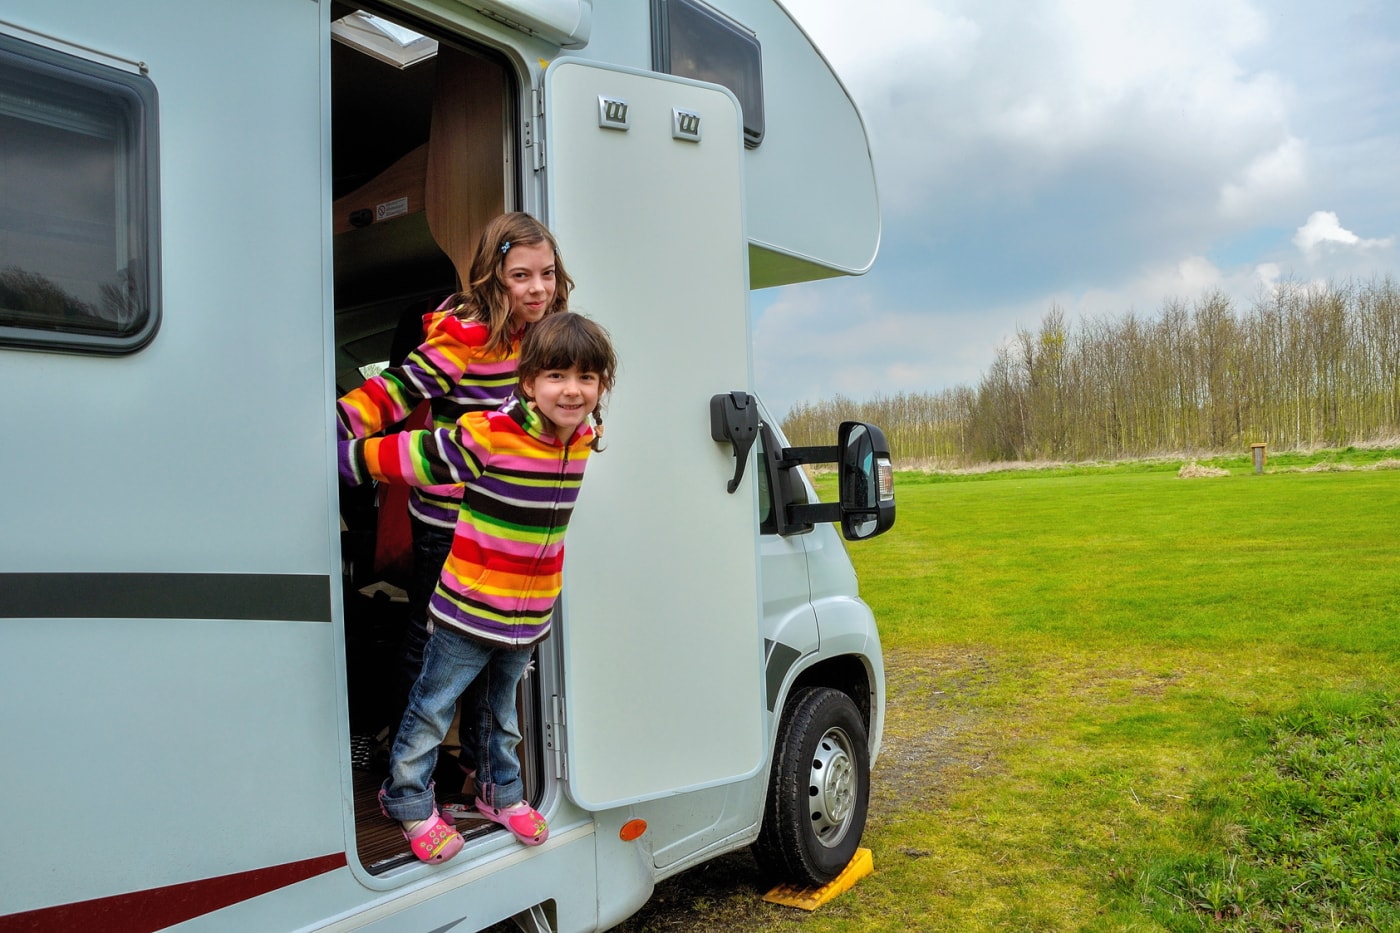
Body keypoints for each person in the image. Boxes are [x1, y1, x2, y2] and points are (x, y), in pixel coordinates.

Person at [340, 312, 618, 863]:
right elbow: (416, 456)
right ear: (529, 382)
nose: (572, 390)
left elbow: (585, 422)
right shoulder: (491, 433)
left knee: (500, 712)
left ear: (601, 386)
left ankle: (501, 794)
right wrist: (347, 457)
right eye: (557, 376)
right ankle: (408, 801)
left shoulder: (584, 436)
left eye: (587, 378)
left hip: (528, 613)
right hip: (467, 606)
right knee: (432, 708)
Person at [337, 211, 574, 793]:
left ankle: (478, 773)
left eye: (546, 273)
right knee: (431, 641)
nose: (538, 288)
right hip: (449, 519)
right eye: (522, 276)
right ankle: (404, 762)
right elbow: (399, 388)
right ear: (495, 276)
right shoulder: (466, 335)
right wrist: (335, 431)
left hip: (508, 521)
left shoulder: (545, 337)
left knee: (500, 648)